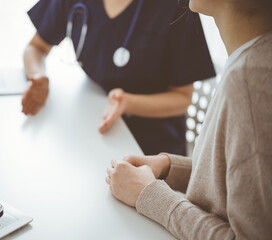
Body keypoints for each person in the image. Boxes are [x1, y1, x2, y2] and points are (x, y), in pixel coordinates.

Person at [106, 0, 272, 239]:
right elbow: (245, 179)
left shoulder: (250, 79)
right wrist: (168, 168)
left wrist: (149, 194)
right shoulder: (253, 60)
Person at [22, 0, 215, 156]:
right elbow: (36, 47)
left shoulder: (177, 6)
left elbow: (182, 98)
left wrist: (128, 102)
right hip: (90, 128)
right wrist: (38, 76)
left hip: (152, 147)